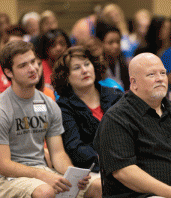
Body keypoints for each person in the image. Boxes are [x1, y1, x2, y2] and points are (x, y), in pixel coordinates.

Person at [93, 52, 171, 198]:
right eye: (151, 75)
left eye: (163, 73)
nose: (160, 79)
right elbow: (123, 171)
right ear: (134, 83)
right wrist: (167, 192)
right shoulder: (117, 118)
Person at [0, 40, 101, 198]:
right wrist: (42, 175)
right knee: (45, 191)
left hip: (42, 172)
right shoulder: (2, 108)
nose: (32, 69)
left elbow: (58, 154)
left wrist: (72, 176)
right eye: (23, 65)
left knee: (97, 186)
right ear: (8, 72)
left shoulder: (48, 103)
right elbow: (3, 165)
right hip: (7, 178)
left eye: (34, 62)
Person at [52, 46, 123, 174]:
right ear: (66, 77)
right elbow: (74, 147)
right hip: (94, 169)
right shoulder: (64, 107)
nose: (84, 70)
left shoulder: (116, 95)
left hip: (128, 160)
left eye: (87, 64)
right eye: (77, 68)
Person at [96, 21, 129, 91]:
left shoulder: (123, 63)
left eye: (118, 42)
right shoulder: (97, 66)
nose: (116, 46)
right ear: (100, 43)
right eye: (110, 42)